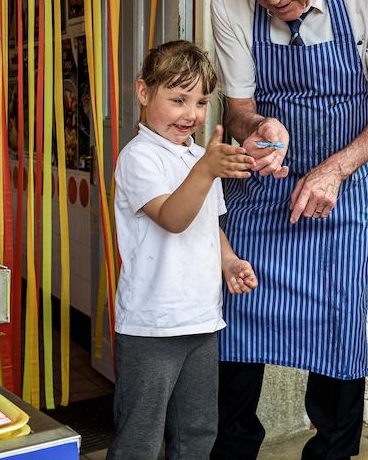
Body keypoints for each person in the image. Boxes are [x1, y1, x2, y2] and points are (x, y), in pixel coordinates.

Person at [209, 0, 368, 460]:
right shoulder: (229, 1)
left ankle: (332, 453)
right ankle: (231, 450)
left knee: (338, 331)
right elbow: (237, 110)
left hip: (342, 189)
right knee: (234, 324)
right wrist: (257, 128)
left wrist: (335, 168)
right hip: (262, 187)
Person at [109, 40, 259, 459]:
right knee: (140, 436)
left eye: (201, 102)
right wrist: (206, 169)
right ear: (143, 92)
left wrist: (228, 261)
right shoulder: (139, 157)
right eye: (177, 99)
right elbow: (173, 217)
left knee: (197, 431)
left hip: (202, 320)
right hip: (152, 325)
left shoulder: (198, 156)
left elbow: (209, 223)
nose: (191, 114)